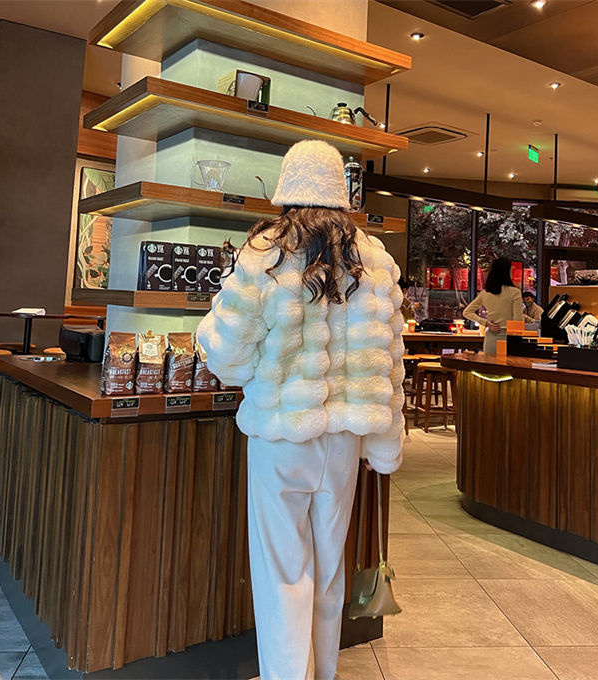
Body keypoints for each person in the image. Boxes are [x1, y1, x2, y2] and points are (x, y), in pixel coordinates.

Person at [197, 140, 405, 680]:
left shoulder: (265, 253)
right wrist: (385, 445)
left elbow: (227, 354)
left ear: (286, 187)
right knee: (329, 569)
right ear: (340, 189)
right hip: (343, 442)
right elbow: (390, 361)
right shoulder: (376, 260)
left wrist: (214, 335)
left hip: (282, 433)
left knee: (282, 573)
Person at [462, 257, 523, 354]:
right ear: (507, 272)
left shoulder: (485, 293)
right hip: (510, 338)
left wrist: (486, 323)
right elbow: (518, 319)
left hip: (491, 337)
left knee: (490, 363)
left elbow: (467, 312)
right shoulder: (515, 292)